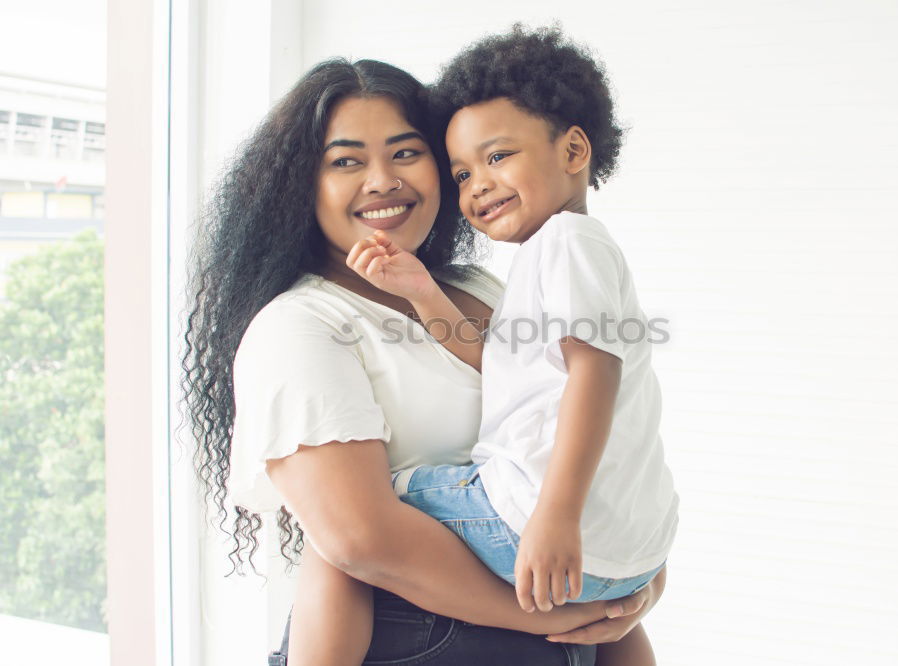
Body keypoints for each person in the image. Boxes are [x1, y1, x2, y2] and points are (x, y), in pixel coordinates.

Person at [181, 57, 665, 666]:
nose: (383, 180)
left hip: (567, 625)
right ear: (300, 185)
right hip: (434, 644)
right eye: (346, 160)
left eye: (407, 153)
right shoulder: (301, 325)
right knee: (345, 536)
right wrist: (581, 608)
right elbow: (362, 541)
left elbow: (598, 424)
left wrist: (635, 579)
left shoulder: (485, 285)